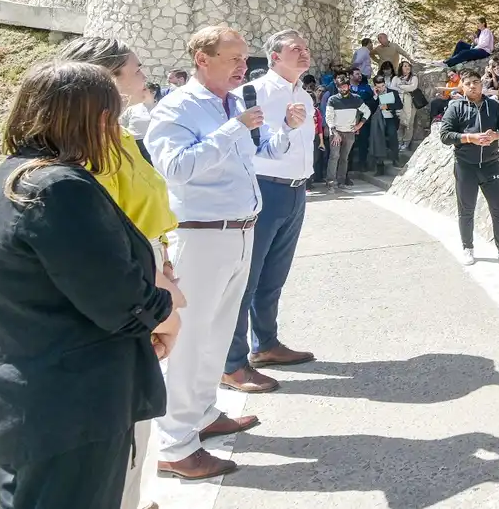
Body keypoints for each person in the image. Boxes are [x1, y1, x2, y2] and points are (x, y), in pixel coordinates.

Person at [0, 61, 178, 509]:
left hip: (29, 400)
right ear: (98, 120)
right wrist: (166, 315)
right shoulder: (60, 187)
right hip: (70, 410)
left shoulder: (15, 175)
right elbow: (118, 298)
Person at [145, 26, 305, 480]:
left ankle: (201, 416)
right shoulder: (177, 107)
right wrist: (235, 127)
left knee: (216, 334)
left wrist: (285, 131)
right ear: (202, 59)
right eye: (233, 58)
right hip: (200, 235)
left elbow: (252, 158)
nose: (242, 66)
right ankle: (175, 446)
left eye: (244, 58)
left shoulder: (232, 103)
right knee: (190, 339)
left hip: (238, 231)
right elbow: (176, 168)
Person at [53, 39, 182, 509]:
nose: (144, 73)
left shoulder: (121, 137)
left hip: (148, 265)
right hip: (130, 281)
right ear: (104, 81)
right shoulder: (92, 150)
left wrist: (163, 254)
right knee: (124, 418)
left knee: (137, 415)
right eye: (134, 69)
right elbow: (107, 231)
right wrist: (156, 293)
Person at [221, 30, 317, 395]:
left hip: (296, 190)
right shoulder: (253, 92)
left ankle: (266, 344)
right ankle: (232, 362)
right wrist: (286, 128)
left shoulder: (304, 94)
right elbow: (249, 148)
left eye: (305, 48)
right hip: (265, 188)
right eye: (296, 49)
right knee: (246, 279)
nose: (304, 53)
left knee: (274, 276)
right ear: (275, 57)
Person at [438, 70, 499, 267]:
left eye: (476, 82)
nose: (472, 86)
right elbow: (445, 135)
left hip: (491, 165)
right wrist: (468, 138)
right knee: (466, 210)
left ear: (482, 85)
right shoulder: (455, 107)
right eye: (468, 83)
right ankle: (468, 248)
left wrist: (496, 136)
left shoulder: (494, 106)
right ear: (462, 87)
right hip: (465, 166)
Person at [323, 77, 369, 189]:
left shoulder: (356, 99)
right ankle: (330, 181)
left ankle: (341, 180)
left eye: (344, 86)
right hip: (336, 131)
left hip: (349, 132)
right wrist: (334, 132)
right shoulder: (332, 100)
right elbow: (329, 117)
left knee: (344, 157)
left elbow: (367, 111)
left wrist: (360, 124)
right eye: (340, 87)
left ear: (348, 86)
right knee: (334, 156)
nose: (342, 89)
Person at [391, 59, 421, 148]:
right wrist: (405, 88)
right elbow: (392, 88)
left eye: (409, 66)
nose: (407, 67)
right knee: (400, 123)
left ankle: (406, 142)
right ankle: (399, 141)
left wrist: (400, 87)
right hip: (399, 103)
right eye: (405, 66)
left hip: (411, 104)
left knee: (409, 123)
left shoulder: (414, 78)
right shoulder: (396, 78)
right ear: (401, 67)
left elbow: (413, 87)